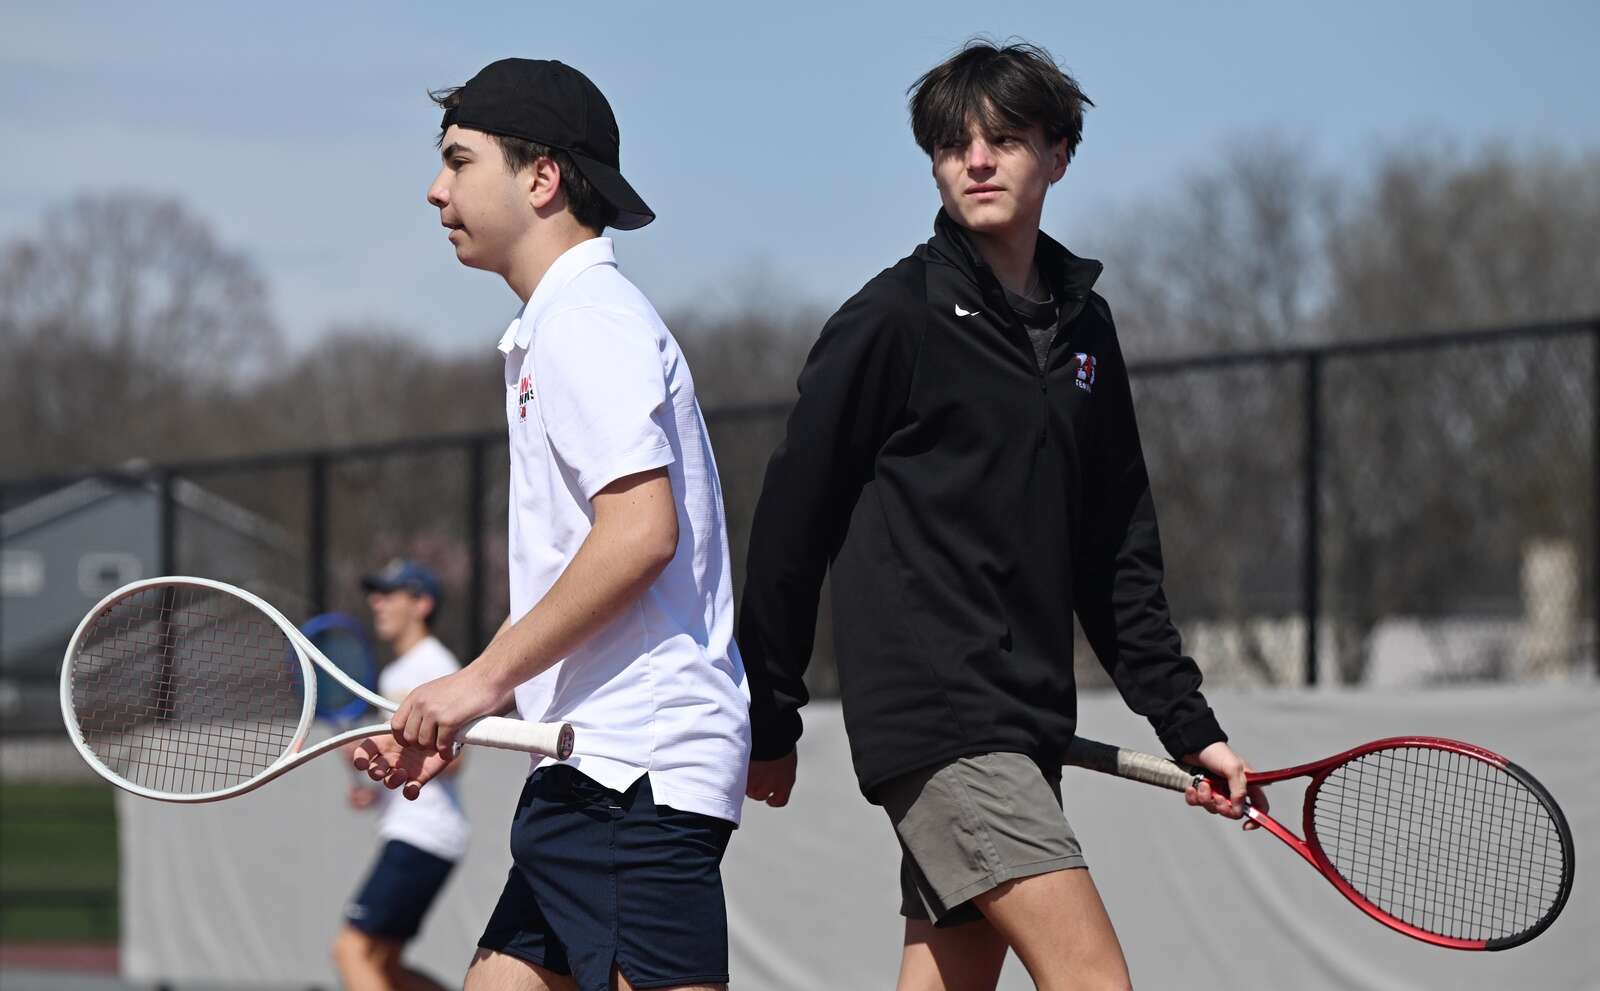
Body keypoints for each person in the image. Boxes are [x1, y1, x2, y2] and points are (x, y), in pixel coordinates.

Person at [738, 40, 1267, 991]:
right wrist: (768, 712)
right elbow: (791, 521)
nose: (976, 161)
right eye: (954, 145)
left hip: (1026, 722)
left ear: (1059, 154)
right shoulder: (891, 319)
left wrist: (1188, 725)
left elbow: (1116, 552)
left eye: (1005, 140)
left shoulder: (1087, 329)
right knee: (1094, 979)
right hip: (942, 720)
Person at [351, 58, 750, 991]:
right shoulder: (561, 323)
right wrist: (470, 703)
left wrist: (479, 681)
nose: (436, 189)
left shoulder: (586, 321)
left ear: (541, 178)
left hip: (629, 777)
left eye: (459, 161)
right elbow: (598, 561)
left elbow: (640, 532)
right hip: (587, 774)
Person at [333, 560, 467, 991]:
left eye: (390, 593)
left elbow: (457, 758)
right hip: (413, 829)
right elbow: (406, 762)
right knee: (386, 966)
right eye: (376, 594)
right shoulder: (394, 674)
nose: (377, 602)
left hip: (425, 834)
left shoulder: (437, 664)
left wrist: (403, 752)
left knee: (350, 951)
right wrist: (377, 788)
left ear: (422, 604)